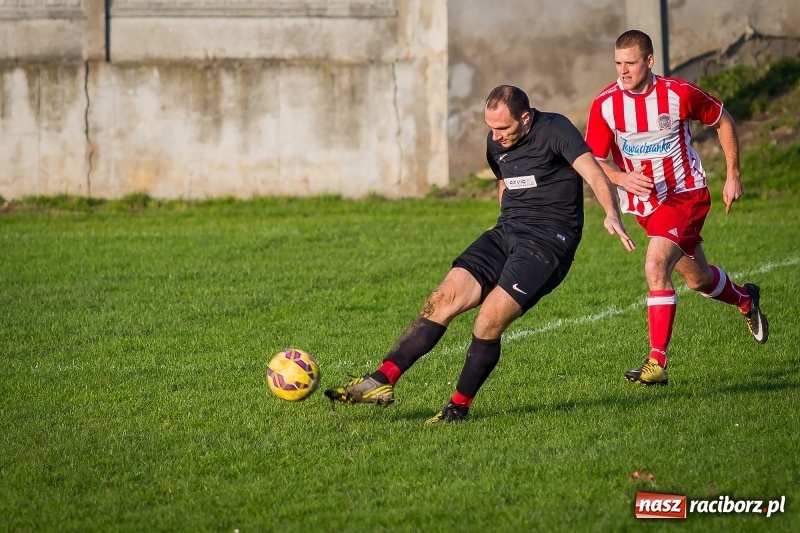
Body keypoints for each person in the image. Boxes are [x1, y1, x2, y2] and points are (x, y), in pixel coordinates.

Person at [324, 84, 635, 423]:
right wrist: (503, 221)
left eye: (504, 127)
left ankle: (457, 408)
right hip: (506, 232)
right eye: (491, 127)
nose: (496, 135)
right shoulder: (495, 142)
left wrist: (611, 213)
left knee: (488, 320)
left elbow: (592, 171)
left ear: (526, 118)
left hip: (549, 243)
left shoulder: (556, 129)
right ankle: (380, 381)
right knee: (441, 298)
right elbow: (506, 179)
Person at [584, 29, 769, 386]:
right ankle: (746, 299)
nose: (623, 71)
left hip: (685, 195)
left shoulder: (677, 93)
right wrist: (621, 180)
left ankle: (656, 362)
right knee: (697, 277)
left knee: (655, 265)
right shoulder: (605, 104)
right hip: (645, 205)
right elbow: (591, 160)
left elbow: (722, 119)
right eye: (618, 64)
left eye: (631, 63)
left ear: (649, 61)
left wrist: (733, 175)